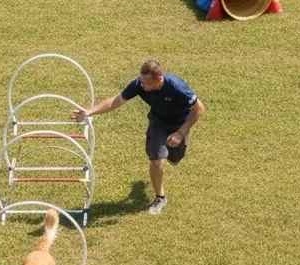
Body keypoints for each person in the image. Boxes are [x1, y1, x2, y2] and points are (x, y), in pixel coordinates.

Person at [71, 60, 204, 215]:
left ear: (159, 80)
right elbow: (116, 101)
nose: (142, 85)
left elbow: (199, 109)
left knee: (174, 158)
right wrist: (89, 112)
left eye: (146, 83)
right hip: (158, 121)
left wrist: (180, 133)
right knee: (156, 160)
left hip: (180, 124)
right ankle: (160, 197)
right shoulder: (138, 84)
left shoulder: (176, 87)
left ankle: (169, 149)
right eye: (141, 81)